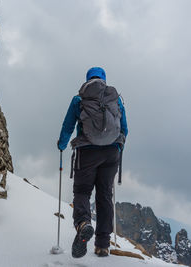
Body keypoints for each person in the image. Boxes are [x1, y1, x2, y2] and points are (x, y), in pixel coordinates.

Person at [57, 67, 128, 258]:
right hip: (111, 153)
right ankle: (103, 245)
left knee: (82, 191)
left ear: (87, 79)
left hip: (86, 152)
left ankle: (83, 224)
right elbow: (125, 129)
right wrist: (118, 148)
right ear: (104, 80)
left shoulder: (79, 99)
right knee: (104, 195)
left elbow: (68, 125)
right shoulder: (115, 99)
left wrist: (62, 145)